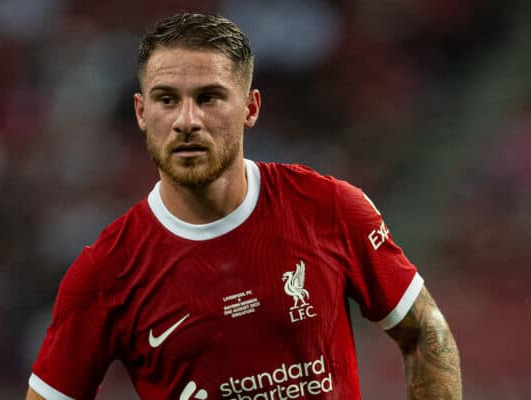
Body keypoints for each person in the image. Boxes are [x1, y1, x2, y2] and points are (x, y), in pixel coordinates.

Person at [26, 12, 462, 400]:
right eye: (166, 99)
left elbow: (425, 332)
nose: (187, 121)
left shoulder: (328, 207)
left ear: (250, 108)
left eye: (210, 97)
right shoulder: (105, 272)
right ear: (141, 112)